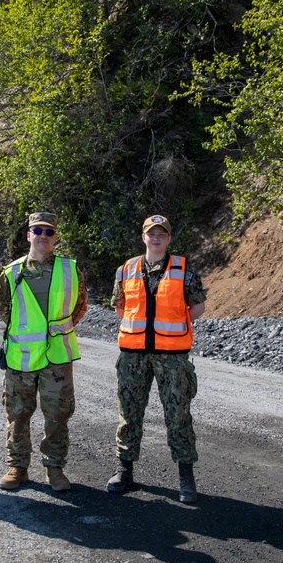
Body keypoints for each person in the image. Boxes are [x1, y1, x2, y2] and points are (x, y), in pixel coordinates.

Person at [106, 215, 207, 503]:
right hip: (133, 356)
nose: (156, 238)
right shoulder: (126, 270)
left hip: (172, 357)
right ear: (143, 237)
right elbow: (120, 307)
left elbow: (197, 307)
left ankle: (186, 477)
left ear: (169, 239)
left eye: (162, 234)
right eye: (152, 233)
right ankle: (124, 470)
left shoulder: (185, 269)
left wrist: (173, 323)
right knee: (129, 413)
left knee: (178, 416)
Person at [0, 212, 88, 491]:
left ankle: (54, 468)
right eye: (38, 231)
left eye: (49, 232)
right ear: (28, 235)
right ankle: (17, 467)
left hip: (57, 358)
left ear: (56, 237)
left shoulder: (69, 269)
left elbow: (80, 305)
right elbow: (5, 312)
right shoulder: (10, 273)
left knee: (57, 415)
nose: (43, 237)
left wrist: (60, 328)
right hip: (20, 357)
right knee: (18, 414)